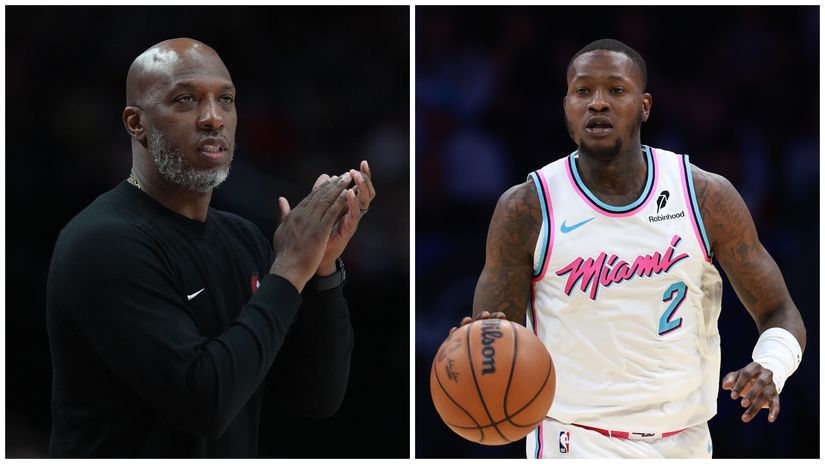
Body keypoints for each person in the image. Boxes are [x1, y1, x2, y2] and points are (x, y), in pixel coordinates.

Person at [463, 38, 805, 458]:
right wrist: (476, 350)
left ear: (644, 105)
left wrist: (772, 365)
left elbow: (779, 310)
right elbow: (492, 341)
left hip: (685, 442)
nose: (598, 103)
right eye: (583, 91)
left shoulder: (704, 196)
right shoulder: (526, 207)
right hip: (574, 441)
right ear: (566, 104)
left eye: (616, 90)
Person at [45, 38, 376, 457]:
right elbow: (205, 402)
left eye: (226, 100)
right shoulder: (103, 243)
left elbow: (315, 396)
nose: (213, 118)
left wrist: (323, 270)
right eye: (186, 100)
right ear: (136, 123)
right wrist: (291, 266)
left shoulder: (240, 238)